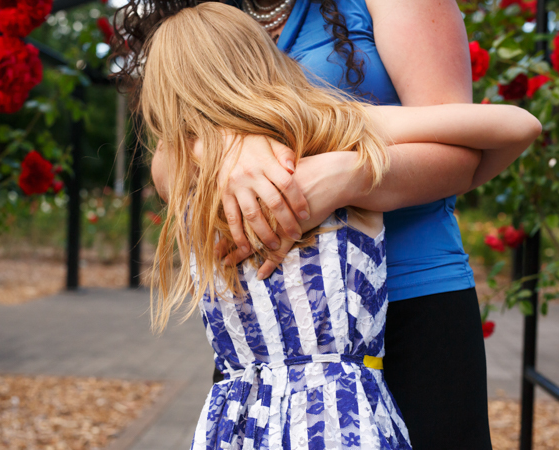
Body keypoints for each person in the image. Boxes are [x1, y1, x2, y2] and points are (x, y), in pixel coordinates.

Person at [140, 3, 539, 448]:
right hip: (319, 394)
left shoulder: (315, 130)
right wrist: (228, 142)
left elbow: (465, 150)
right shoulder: (319, 126)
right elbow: (516, 125)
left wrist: (350, 173)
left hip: (392, 321)